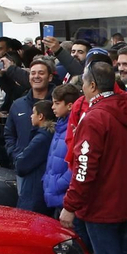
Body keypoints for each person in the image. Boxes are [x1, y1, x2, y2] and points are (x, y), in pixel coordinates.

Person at [59, 63, 127, 254]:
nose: (82, 88)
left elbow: (84, 166)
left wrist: (70, 205)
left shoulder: (94, 118)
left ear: (92, 85)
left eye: (83, 84)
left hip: (101, 207)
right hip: (125, 200)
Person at [5, 57, 54, 168]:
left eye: (41, 73)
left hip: (49, 167)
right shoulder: (18, 104)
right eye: (33, 73)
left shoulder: (57, 104)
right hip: (22, 167)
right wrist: (14, 154)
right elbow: (9, 134)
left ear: (50, 77)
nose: (36, 76)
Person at [42, 83, 81, 215]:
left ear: (70, 105)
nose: (52, 107)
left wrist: (58, 184)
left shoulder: (75, 128)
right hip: (58, 196)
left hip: (66, 197)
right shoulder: (60, 127)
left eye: (57, 103)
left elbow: (76, 163)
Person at [14, 101, 56, 213]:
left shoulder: (41, 139)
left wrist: (18, 159)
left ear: (41, 116)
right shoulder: (51, 135)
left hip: (34, 191)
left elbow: (21, 165)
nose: (31, 116)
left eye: (33, 113)